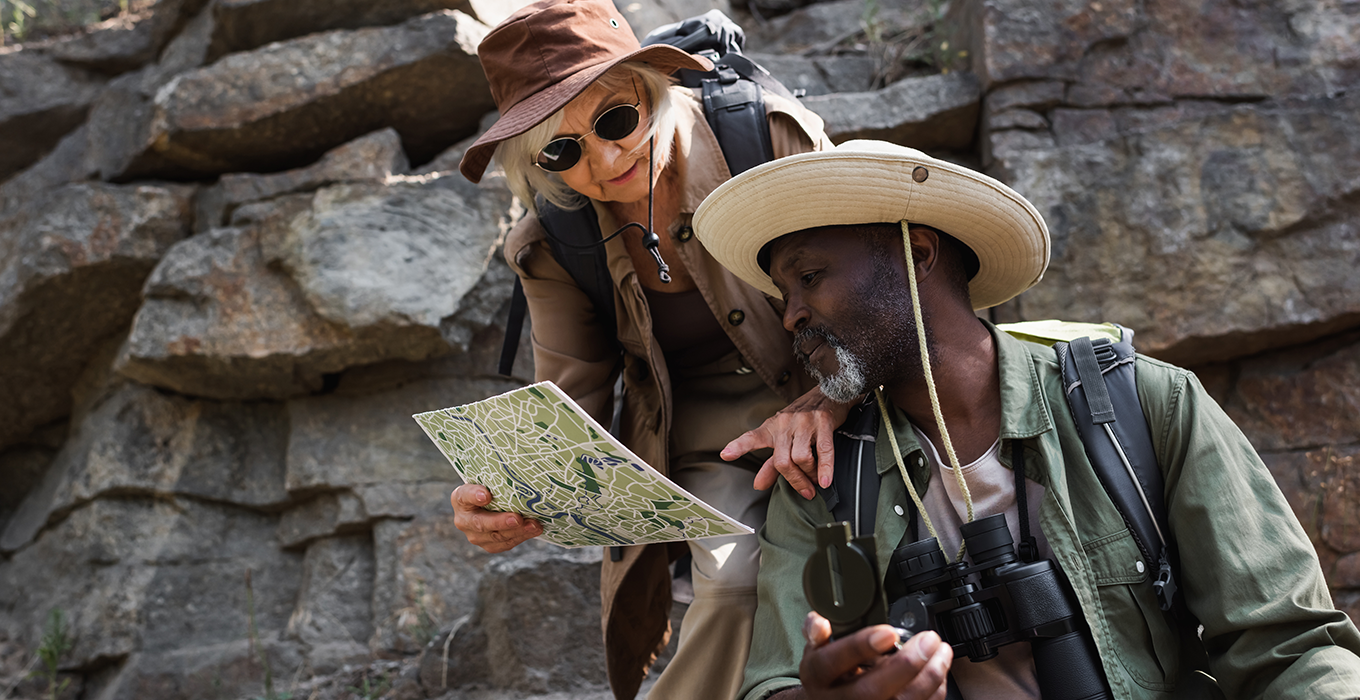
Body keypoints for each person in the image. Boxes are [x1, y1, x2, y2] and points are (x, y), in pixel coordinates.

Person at [692, 139, 1360, 699]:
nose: (791, 316)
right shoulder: (822, 478)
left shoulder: (1146, 409)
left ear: (917, 255)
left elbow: (1290, 647)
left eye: (809, 276)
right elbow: (772, 683)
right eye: (784, 292)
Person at [452, 1, 848, 698]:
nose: (605, 161)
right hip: (701, 441)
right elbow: (570, 408)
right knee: (728, 584)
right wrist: (506, 498)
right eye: (561, 151)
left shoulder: (766, 138)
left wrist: (827, 399)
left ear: (651, 88)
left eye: (614, 121)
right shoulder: (552, 241)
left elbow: (879, 297)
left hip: (843, 388)